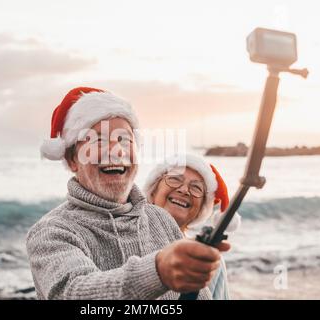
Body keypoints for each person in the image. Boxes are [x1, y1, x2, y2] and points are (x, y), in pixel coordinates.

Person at [26, 87, 230, 299]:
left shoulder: (161, 220)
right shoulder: (51, 232)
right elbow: (74, 293)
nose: (116, 150)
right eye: (99, 140)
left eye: (125, 139)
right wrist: (159, 271)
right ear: (72, 160)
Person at [143, 154, 241, 299]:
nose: (184, 190)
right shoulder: (128, 238)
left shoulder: (209, 262)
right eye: (175, 179)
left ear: (201, 208)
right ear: (153, 190)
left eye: (196, 187)